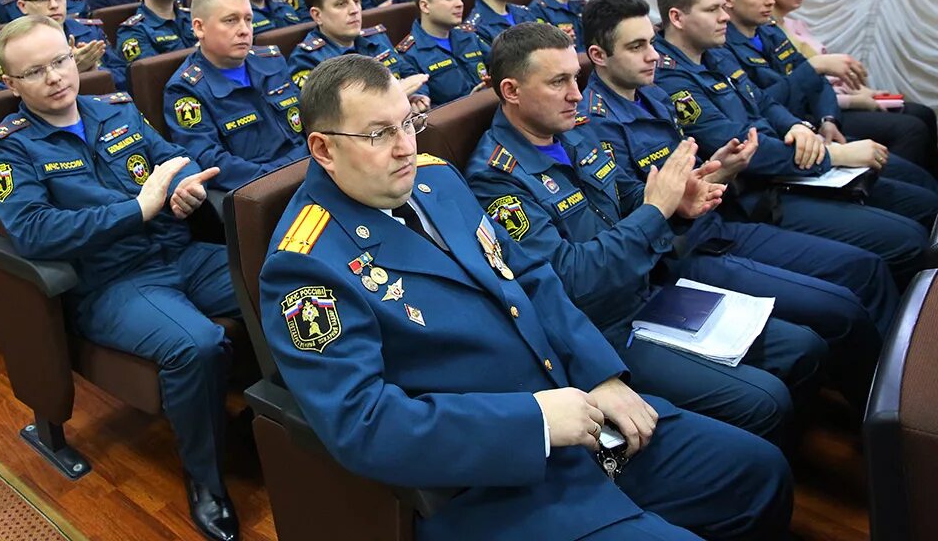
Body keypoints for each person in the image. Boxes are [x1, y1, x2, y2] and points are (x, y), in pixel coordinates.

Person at [261, 53, 793, 541]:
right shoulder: (305, 264)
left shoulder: (435, 182)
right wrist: (536, 422)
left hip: (579, 409)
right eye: (379, 134)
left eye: (408, 121)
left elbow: (530, 275)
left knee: (758, 471)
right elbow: (364, 424)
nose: (406, 147)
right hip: (498, 476)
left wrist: (597, 372)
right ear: (324, 148)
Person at [465, 20, 882, 443]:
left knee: (804, 348)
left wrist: (679, 204)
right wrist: (656, 211)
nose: (576, 93)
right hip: (601, 326)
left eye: (576, 77)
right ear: (512, 91)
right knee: (766, 400)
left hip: (648, 287)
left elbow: (632, 200)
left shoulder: (574, 132)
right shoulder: (495, 178)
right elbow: (571, 279)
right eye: (559, 82)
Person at [0, 15, 240, 541]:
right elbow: (33, 231)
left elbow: (171, 159)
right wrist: (140, 209)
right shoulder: (7, 147)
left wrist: (184, 186)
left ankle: (297, 419)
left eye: (59, 61)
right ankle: (206, 479)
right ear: (10, 85)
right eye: (35, 72)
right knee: (199, 344)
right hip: (112, 283)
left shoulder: (115, 109)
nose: (55, 78)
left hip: (180, 253)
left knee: (278, 282)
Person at [580, 0, 899, 337]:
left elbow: (699, 174)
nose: (653, 55)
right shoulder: (595, 126)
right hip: (680, 253)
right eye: (636, 47)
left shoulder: (653, 94)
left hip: (718, 224)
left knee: (864, 267)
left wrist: (721, 169)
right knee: (840, 307)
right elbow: (630, 218)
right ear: (599, 55)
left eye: (652, 43)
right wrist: (698, 189)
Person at [653, 0, 933, 284]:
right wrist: (834, 155)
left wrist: (797, 127)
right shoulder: (669, 77)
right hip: (755, 193)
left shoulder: (713, 55)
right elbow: (745, 150)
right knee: (901, 241)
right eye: (712, 10)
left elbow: (764, 102)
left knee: (919, 205)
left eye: (723, 7)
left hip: (789, 160)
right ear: (677, 18)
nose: (724, 17)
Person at [717, 0, 938, 212]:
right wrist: (814, 68)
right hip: (787, 140)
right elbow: (761, 102)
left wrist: (829, 118)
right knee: (914, 196)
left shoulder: (769, 32)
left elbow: (817, 83)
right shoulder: (721, 47)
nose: (770, 0)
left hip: (813, 128)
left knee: (917, 178)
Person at [767, 0, 938, 175]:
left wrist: (869, 93)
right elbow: (800, 87)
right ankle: (893, 187)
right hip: (817, 107)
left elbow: (826, 78)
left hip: (831, 100)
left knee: (923, 113)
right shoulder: (769, 34)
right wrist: (858, 101)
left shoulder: (795, 24)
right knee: (912, 129)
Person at [164, 0, 308, 191]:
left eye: (248, 20)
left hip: (309, 170)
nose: (244, 30)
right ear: (199, 28)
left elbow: (305, 121)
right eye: (230, 21)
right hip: (260, 191)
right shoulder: (185, 89)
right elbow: (211, 161)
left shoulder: (272, 60)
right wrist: (283, 175)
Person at [287, 0, 429, 111]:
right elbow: (333, 116)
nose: (354, 10)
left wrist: (416, 96)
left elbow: (414, 76)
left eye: (356, 1)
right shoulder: (306, 59)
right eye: (341, 4)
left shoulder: (376, 38)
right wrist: (397, 94)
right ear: (317, 15)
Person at [14, 0, 128, 89]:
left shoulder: (90, 31)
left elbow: (123, 76)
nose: (54, 5)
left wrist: (93, 68)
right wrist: (70, 69)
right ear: (23, 6)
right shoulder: (13, 45)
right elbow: (9, 95)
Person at [396, 0, 492, 106]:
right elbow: (427, 108)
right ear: (425, 6)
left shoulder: (468, 35)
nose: (460, 4)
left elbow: (499, 62)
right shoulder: (408, 55)